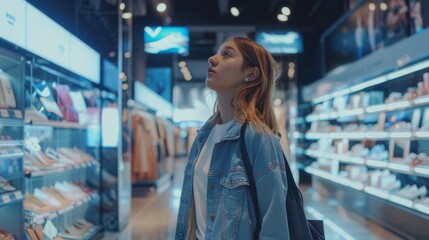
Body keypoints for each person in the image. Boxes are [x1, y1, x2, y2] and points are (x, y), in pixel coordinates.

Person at [175, 36, 289, 239]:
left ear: (251, 74)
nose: (212, 58)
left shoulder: (259, 139)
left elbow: (275, 230)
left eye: (226, 54)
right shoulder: (203, 136)